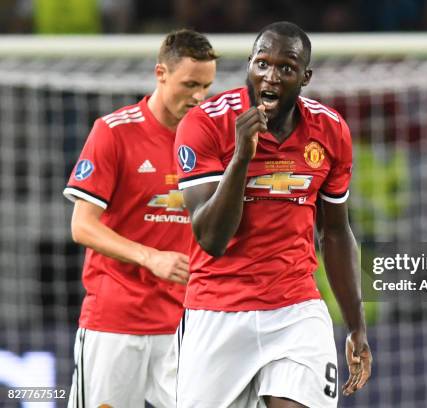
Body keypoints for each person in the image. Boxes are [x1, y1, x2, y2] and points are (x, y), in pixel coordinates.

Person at [174, 21, 372, 408]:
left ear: (305, 77)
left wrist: (356, 326)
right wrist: (242, 156)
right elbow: (211, 239)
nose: (272, 76)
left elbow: (335, 232)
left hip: (295, 311)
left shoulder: (330, 131)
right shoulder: (204, 124)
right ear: (249, 65)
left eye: (287, 68)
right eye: (262, 64)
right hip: (217, 311)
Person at [62, 29, 217, 407]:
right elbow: (82, 226)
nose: (198, 97)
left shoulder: (210, 140)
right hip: (115, 323)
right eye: (190, 84)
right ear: (160, 73)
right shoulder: (113, 132)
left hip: (183, 326)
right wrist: (151, 257)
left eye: (207, 86)